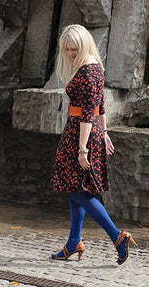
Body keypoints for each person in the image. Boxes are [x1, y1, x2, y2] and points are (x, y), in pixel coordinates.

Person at [51, 24, 137, 265]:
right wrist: (105, 132)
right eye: (67, 49)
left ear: (84, 44)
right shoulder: (95, 65)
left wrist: (82, 149)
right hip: (86, 132)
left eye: (73, 49)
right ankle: (73, 242)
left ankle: (116, 236)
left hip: (81, 134)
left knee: (80, 190)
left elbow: (88, 113)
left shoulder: (88, 72)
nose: (70, 54)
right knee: (74, 187)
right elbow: (101, 105)